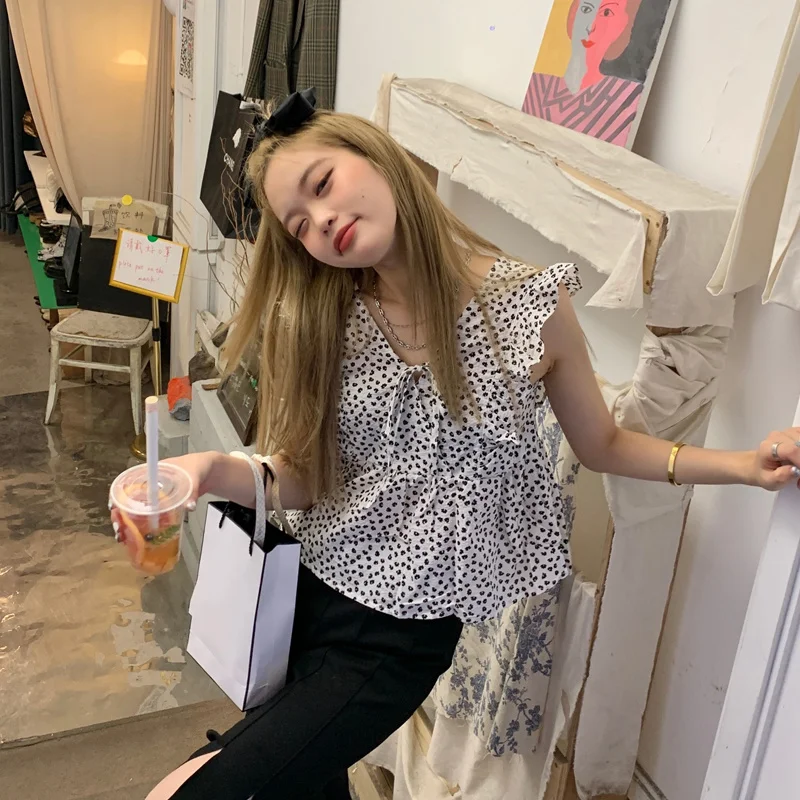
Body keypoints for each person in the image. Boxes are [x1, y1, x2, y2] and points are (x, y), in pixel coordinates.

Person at [121, 90, 800, 799]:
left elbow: (603, 445)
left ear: (377, 158)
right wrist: (206, 471)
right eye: (299, 225)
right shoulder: (323, 316)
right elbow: (304, 479)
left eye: (322, 185)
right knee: (305, 783)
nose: (320, 221)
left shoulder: (529, 307)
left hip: (396, 643)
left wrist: (745, 466)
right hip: (306, 596)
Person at [523, 0, 644, 146]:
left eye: (606, 13)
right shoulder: (536, 86)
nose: (590, 26)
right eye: (586, 9)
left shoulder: (628, 98)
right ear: (572, 16)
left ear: (622, 26)